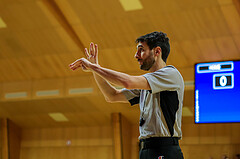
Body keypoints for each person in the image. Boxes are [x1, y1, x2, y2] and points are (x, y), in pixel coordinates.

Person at [69, 31, 184, 159]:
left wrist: (93, 67)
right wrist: (95, 69)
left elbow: (127, 82)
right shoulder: (147, 83)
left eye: (141, 50)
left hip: (165, 149)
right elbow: (111, 95)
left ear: (157, 51)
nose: (136, 55)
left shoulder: (170, 74)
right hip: (146, 149)